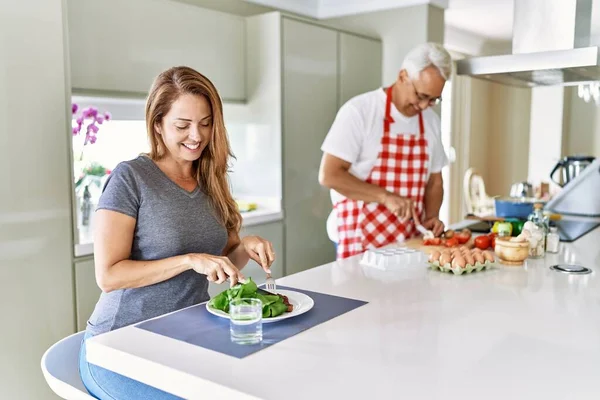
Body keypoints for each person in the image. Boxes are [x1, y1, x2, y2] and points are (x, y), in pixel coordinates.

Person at [79, 66, 275, 399]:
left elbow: (223, 262)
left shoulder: (213, 179)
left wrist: (246, 246)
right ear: (158, 124)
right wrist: (188, 260)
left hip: (189, 337)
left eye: (206, 123)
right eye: (182, 125)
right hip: (120, 345)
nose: (196, 136)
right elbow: (109, 275)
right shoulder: (131, 178)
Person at [318, 42, 452, 259]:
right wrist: (385, 197)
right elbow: (329, 175)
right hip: (359, 236)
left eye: (433, 99)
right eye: (421, 96)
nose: (425, 106)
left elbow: (435, 181)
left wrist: (431, 216)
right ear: (402, 76)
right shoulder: (360, 111)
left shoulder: (430, 122)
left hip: (408, 239)